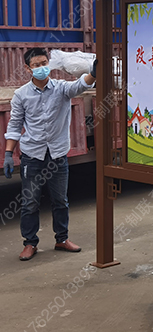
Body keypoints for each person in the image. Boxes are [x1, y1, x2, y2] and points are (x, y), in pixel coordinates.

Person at [4, 48, 97, 261]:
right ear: (28, 68)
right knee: (30, 202)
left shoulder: (62, 89)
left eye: (44, 63)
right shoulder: (21, 95)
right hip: (32, 156)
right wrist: (9, 153)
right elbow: (15, 125)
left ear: (49, 64)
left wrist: (93, 73)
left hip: (57, 156)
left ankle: (62, 239)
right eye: (36, 65)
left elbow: (80, 85)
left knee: (60, 200)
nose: (41, 68)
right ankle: (30, 243)